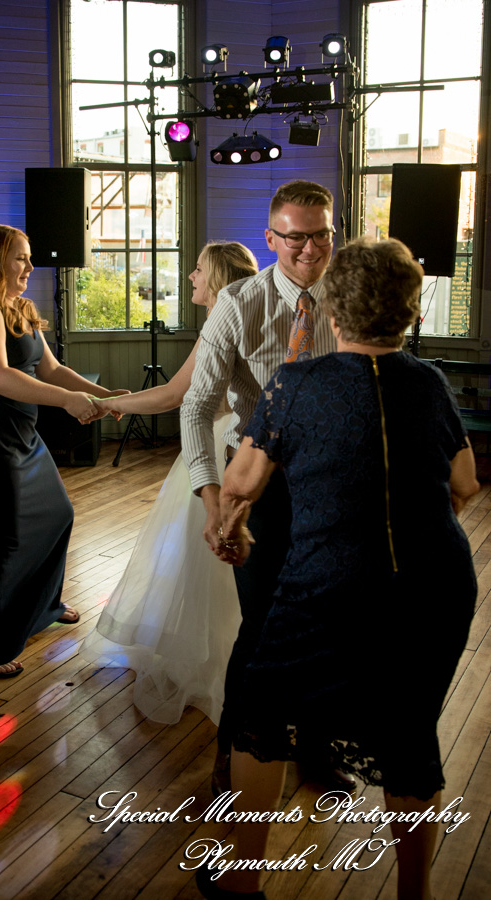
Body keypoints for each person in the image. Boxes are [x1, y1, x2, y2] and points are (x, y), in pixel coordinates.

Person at [204, 237, 479, 900]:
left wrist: (229, 522)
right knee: (409, 733)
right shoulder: (429, 383)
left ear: (331, 309)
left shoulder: (295, 384)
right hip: (436, 584)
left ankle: (241, 881)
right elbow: (465, 483)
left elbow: (241, 481)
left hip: (327, 580)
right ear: (408, 313)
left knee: (258, 713)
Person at [180, 181, 341, 793]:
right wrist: (213, 500)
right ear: (271, 239)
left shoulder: (346, 299)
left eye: (320, 234)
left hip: (329, 483)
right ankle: (237, 749)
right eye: (295, 236)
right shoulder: (239, 304)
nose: (309, 248)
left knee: (326, 620)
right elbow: (196, 407)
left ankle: (317, 749)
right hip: (259, 484)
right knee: (266, 622)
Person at [79, 242, 258, 726]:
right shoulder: (253, 314)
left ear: (218, 278)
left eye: (198, 269)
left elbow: (175, 397)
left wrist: (110, 405)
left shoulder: (226, 318)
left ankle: (224, 669)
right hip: (232, 445)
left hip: (223, 453)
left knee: (213, 565)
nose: (192, 277)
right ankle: (226, 656)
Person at [0, 224, 127, 678]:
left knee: (57, 515)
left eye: (28, 257)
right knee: (1, 539)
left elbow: (51, 368)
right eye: (21, 258)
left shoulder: (19, 307)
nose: (30, 266)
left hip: (21, 433)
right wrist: (68, 403)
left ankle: (42, 607)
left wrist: (102, 397)